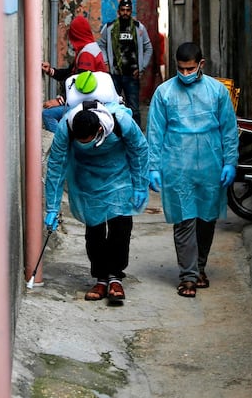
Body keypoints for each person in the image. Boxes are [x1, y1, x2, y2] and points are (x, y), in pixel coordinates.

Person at [145, 42, 239, 298]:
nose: (185, 74)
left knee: (206, 219)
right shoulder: (164, 93)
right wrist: (153, 167)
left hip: (210, 163)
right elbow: (155, 132)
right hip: (177, 164)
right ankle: (188, 276)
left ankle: (199, 267)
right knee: (185, 219)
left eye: (190, 69)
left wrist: (230, 161)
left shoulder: (217, 92)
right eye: (181, 69)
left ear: (201, 64)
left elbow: (228, 130)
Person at [44, 100, 150, 303]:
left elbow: (139, 150)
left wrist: (140, 184)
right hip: (86, 179)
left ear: (100, 129)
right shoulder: (66, 126)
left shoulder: (121, 122)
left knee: (120, 227)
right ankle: (101, 278)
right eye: (80, 141)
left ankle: (115, 277)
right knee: (95, 229)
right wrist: (52, 207)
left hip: (118, 176)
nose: (85, 144)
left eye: (88, 140)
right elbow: (56, 166)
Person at [42, 15, 110, 131]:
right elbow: (70, 73)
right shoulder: (88, 48)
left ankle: (62, 144)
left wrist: (59, 101)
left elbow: (82, 86)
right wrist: (50, 71)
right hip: (90, 100)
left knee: (48, 114)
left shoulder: (86, 54)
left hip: (87, 103)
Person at [98, 0, 153, 125]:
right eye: (122, 10)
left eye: (128, 10)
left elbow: (148, 47)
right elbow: (101, 45)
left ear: (131, 12)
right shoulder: (110, 28)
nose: (125, 13)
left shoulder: (139, 28)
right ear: (118, 11)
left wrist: (142, 67)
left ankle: (136, 137)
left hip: (132, 75)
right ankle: (115, 134)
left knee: (133, 109)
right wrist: (106, 63)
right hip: (115, 75)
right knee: (112, 107)